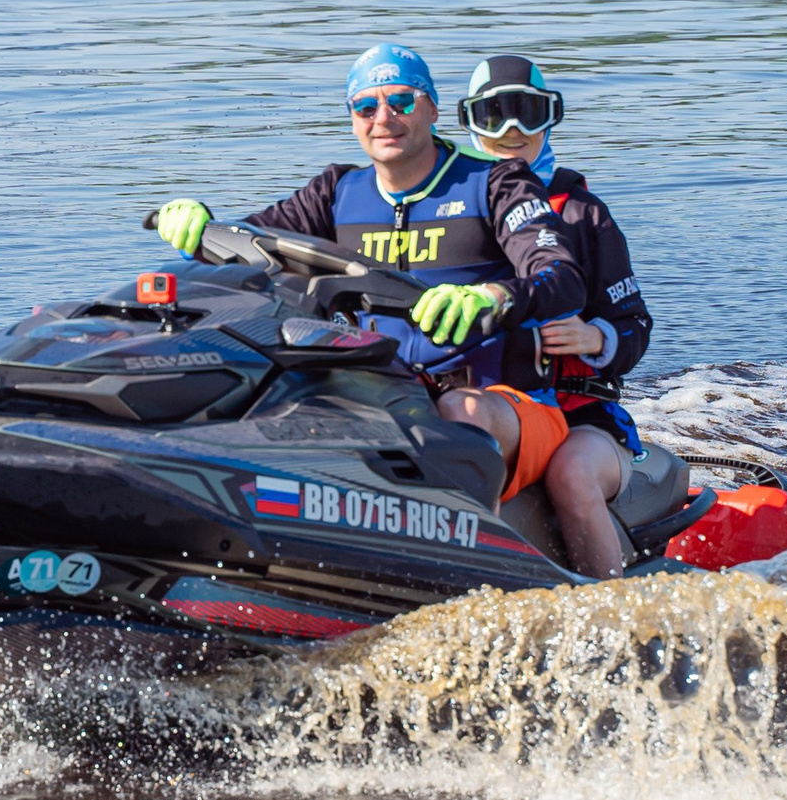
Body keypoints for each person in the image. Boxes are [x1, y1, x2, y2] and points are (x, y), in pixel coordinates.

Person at [155, 44, 586, 500]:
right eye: (366, 106)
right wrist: (199, 230)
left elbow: (561, 279)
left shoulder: (497, 181)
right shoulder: (337, 192)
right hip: (390, 395)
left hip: (508, 401)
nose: (383, 117)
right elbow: (247, 243)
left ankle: (478, 556)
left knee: (462, 411)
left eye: (401, 101)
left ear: (433, 109)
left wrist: (494, 297)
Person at [446, 54, 654, 577]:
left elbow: (636, 325)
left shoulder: (583, 214)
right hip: (481, 399)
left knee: (572, 476)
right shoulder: (447, 209)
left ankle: (612, 608)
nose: (513, 130)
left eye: (528, 113)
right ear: (470, 122)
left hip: (581, 415)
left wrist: (594, 336)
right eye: (495, 115)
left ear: (551, 116)